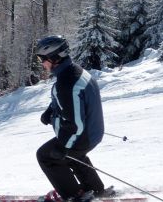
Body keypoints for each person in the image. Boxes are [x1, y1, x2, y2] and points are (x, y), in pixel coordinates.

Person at [34, 36, 108, 202]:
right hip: (92, 130)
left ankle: (75, 197)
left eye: (42, 59)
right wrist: (51, 111)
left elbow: (75, 125)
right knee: (74, 155)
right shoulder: (73, 71)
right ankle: (96, 190)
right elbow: (71, 102)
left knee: (47, 156)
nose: (42, 63)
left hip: (84, 134)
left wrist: (62, 147)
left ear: (54, 58)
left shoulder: (67, 83)